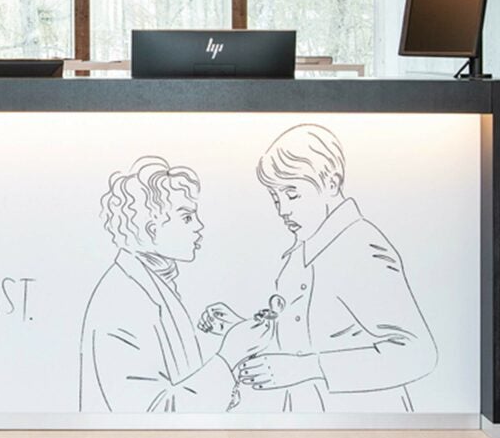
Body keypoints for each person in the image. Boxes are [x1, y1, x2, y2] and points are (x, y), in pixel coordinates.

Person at [202, 123, 437, 412]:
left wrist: (306, 368)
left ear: (332, 184)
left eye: (292, 194)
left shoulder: (361, 248)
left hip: (363, 423)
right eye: (275, 198)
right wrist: (241, 329)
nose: (282, 210)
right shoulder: (303, 249)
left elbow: (417, 353)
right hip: (314, 421)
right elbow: (310, 334)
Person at [79, 156, 269, 413]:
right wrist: (229, 355)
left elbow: (174, 377)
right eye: (187, 217)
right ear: (152, 228)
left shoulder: (152, 284)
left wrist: (218, 340)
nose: (199, 226)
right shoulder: (124, 299)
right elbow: (151, 413)